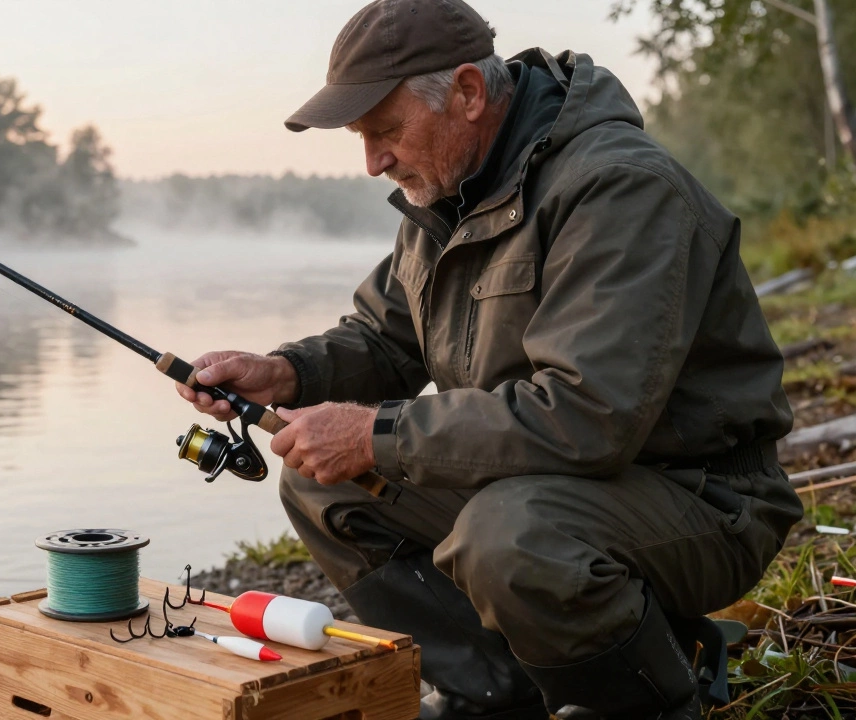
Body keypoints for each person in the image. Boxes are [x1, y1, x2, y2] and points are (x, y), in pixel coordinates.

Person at [175, 1, 803, 718]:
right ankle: (495, 697)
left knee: (510, 537)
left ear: (469, 93)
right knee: (325, 486)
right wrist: (286, 373)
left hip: (701, 497)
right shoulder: (450, 190)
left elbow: (586, 417)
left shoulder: (620, 187)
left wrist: (374, 434)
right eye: (361, 137)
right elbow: (385, 339)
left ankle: (647, 700)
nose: (373, 161)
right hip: (548, 479)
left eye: (386, 130)